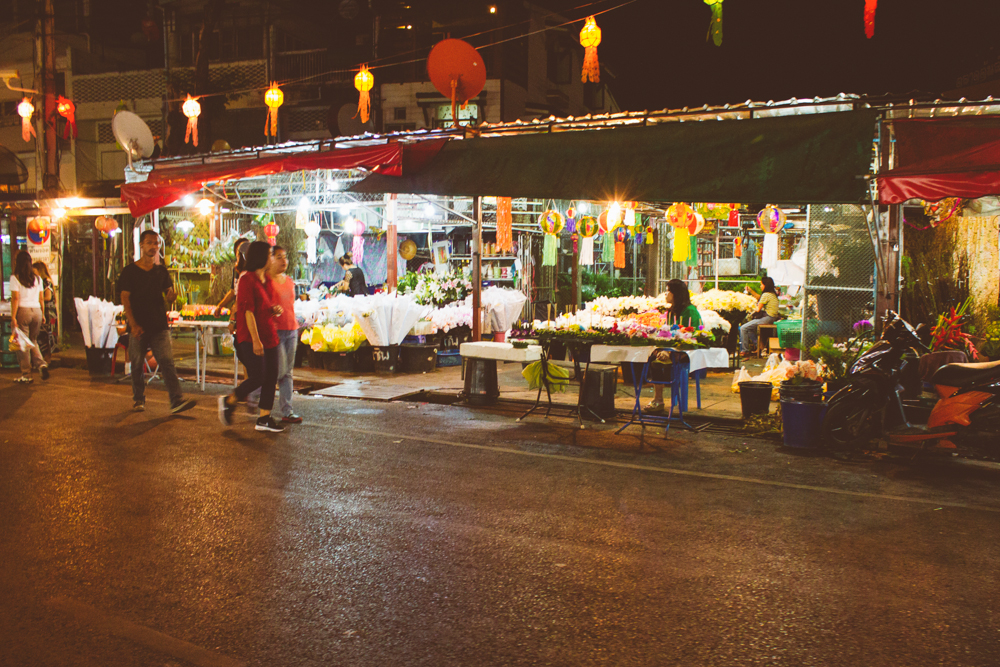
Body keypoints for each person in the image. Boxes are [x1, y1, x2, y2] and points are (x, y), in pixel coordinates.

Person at [119, 230, 197, 414]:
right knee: (137, 363)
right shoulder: (130, 272)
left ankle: (176, 400)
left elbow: (168, 294)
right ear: (141, 245)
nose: (153, 247)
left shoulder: (161, 271)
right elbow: (125, 299)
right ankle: (139, 398)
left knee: (167, 361)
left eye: (156, 244)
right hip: (138, 326)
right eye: (149, 243)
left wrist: (171, 297)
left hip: (159, 325)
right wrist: (133, 324)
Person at [218, 241, 285, 433]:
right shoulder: (247, 279)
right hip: (251, 337)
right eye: (271, 255)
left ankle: (264, 418)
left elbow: (264, 306)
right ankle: (229, 400)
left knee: (271, 377)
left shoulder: (266, 279)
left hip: (269, 335)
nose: (273, 258)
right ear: (261, 257)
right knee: (258, 376)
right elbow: (247, 311)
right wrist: (255, 340)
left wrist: (274, 309)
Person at [645, 280, 702, 413]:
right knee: (654, 360)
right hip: (669, 350)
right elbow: (666, 334)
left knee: (661, 360)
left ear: (676, 294)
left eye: (668, 291)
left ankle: (659, 399)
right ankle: (658, 400)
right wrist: (663, 349)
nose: (666, 294)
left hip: (686, 351)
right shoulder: (670, 312)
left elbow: (694, 336)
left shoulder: (690, 311)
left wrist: (670, 352)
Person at [270, 245, 302, 424]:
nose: (284, 261)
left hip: (291, 328)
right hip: (275, 330)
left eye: (285, 257)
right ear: (271, 259)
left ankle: (287, 411)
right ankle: (256, 395)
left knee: (287, 372)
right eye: (279, 257)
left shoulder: (289, 281)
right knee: (280, 370)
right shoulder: (266, 281)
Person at [9, 250, 49, 383]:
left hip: (23, 311)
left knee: (22, 344)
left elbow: (15, 298)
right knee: (33, 340)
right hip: (36, 310)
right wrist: (43, 314)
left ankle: (26, 374)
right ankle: (41, 364)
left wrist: (13, 317)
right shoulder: (37, 279)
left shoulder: (15, 278)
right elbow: (41, 298)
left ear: (17, 263)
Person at [740, 276, 780, 356]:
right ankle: (760, 348)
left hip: (768, 318)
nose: (760, 286)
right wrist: (751, 291)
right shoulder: (772, 294)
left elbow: (757, 309)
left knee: (743, 328)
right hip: (773, 318)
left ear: (766, 285)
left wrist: (748, 305)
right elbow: (759, 298)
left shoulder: (766, 294)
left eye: (761, 284)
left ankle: (745, 350)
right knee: (750, 330)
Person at [32, 261, 58, 359]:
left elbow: (48, 296)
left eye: (34, 271)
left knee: (47, 335)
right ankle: (45, 358)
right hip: (45, 310)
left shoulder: (46, 281)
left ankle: (48, 358)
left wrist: (37, 297)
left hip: (48, 312)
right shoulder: (40, 281)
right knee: (43, 335)